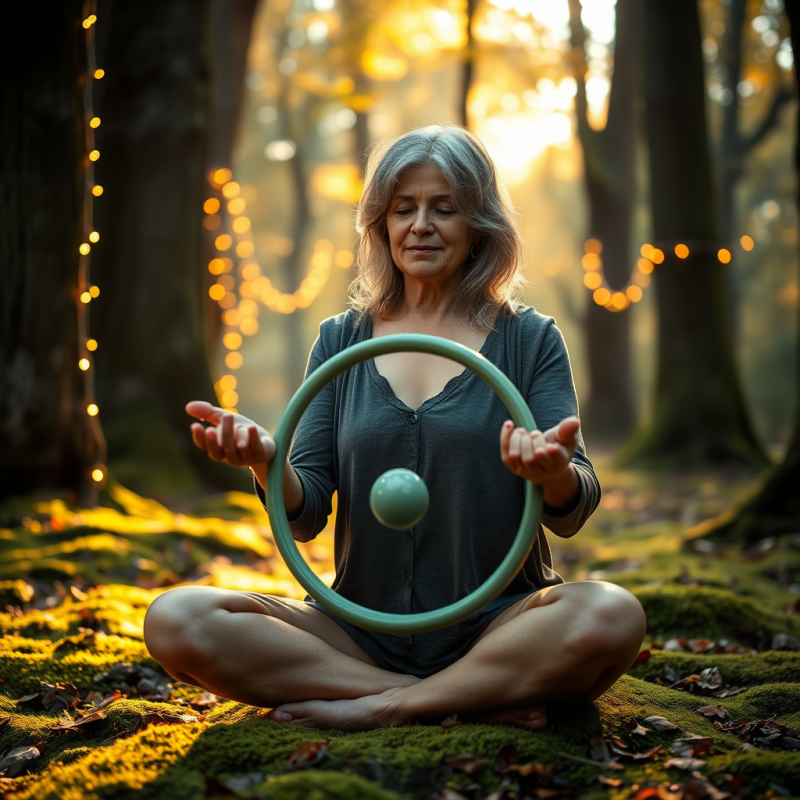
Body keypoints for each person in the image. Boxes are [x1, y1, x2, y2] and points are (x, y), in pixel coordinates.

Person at [143, 125, 646, 732]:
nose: (421, 225)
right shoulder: (341, 341)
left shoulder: (530, 340)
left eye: (445, 208)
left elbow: (572, 509)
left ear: (480, 223)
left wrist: (554, 471)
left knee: (612, 614)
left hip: (501, 625)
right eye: (403, 209)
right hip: (359, 630)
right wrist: (265, 462)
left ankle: (387, 707)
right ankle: (459, 696)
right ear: (380, 223)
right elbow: (303, 516)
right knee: (175, 618)